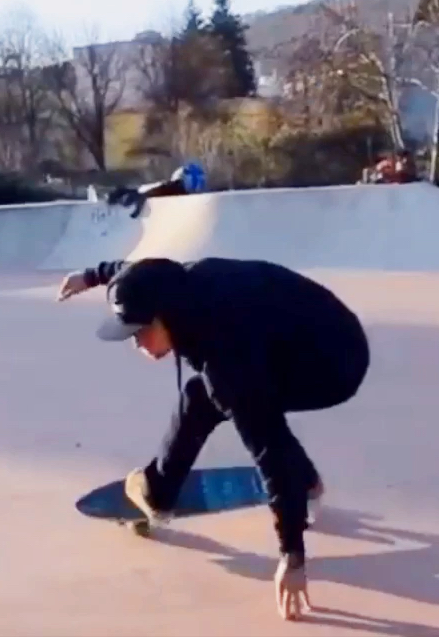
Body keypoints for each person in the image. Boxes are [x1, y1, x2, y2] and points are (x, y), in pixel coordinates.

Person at [56, 256, 370, 620]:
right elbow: (138, 271)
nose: (136, 344)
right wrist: (92, 276)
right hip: (308, 328)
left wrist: (293, 557)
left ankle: (158, 493)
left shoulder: (226, 361)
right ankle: (166, 490)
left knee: (222, 402)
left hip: (334, 363)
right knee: (210, 396)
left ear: (166, 315)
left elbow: (270, 452)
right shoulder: (173, 283)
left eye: (140, 331)